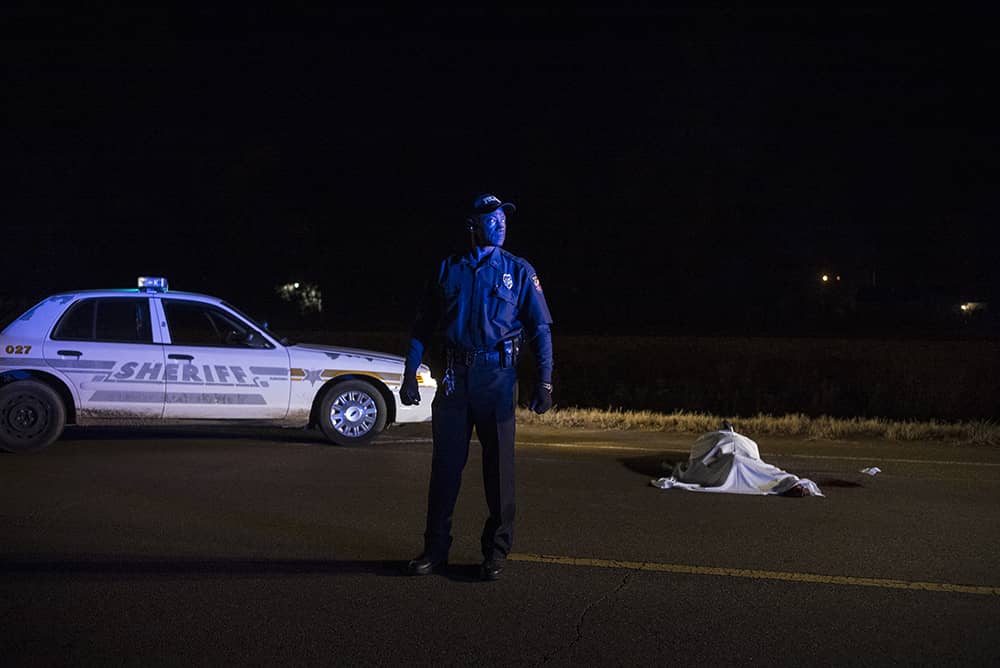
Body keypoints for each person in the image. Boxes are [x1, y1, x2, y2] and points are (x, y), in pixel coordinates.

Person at [399, 192, 554, 581]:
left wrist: (545, 381)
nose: (501, 223)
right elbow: (423, 326)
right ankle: (435, 550)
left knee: (499, 473)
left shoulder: (518, 270)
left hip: (497, 381)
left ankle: (495, 553)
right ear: (472, 225)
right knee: (445, 471)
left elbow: (540, 329)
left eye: (504, 217)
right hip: (454, 380)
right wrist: (409, 374)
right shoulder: (448, 269)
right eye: (492, 218)